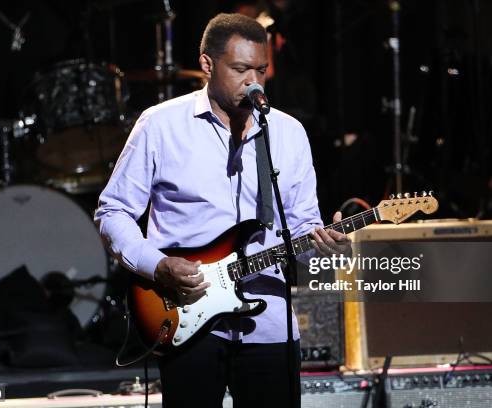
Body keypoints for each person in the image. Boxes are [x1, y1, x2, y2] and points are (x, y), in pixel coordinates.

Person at [94, 13, 349, 408]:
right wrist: (157, 265)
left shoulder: (288, 133)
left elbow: (301, 226)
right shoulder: (160, 126)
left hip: (269, 326)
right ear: (207, 65)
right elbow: (113, 212)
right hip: (185, 315)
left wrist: (324, 245)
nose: (254, 82)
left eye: (261, 70)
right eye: (241, 69)